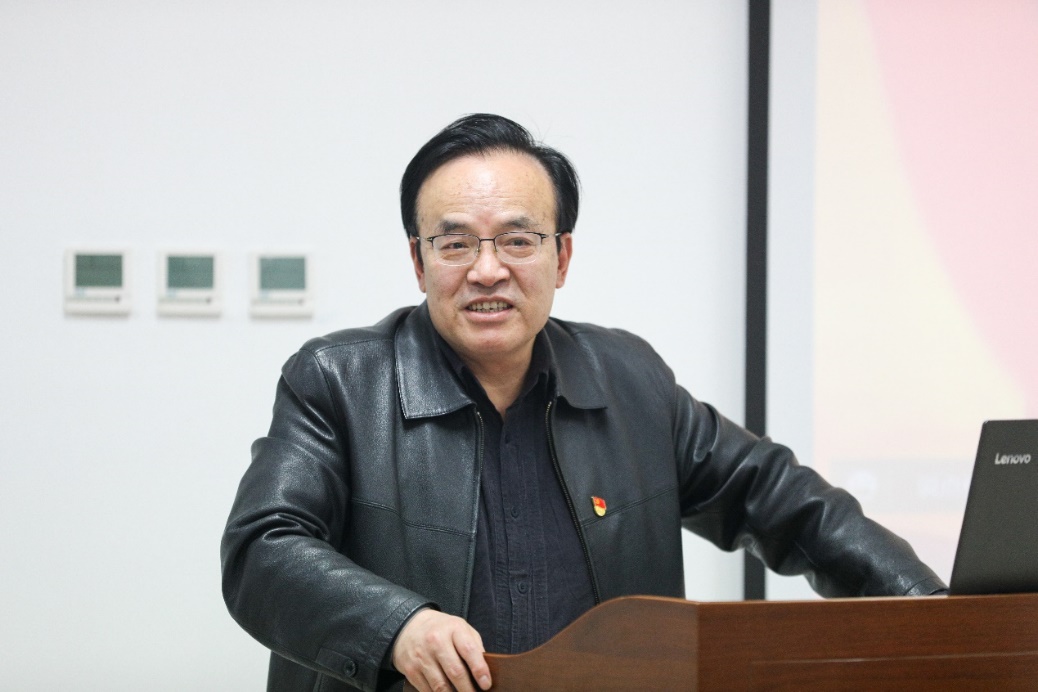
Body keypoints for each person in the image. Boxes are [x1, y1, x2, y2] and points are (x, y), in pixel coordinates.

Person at [221, 113, 946, 692]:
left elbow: (781, 500)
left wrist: (933, 612)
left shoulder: (629, 380)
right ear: (418, 260)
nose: (487, 270)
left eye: (518, 240)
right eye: (455, 244)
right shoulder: (338, 382)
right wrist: (398, 627)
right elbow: (262, 549)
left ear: (561, 257)